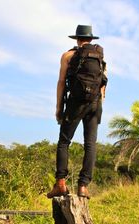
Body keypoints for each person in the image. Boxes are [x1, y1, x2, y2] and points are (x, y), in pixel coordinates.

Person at [47, 25, 107, 199]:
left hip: (75, 103)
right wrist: (96, 106)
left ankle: (60, 184)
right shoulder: (100, 57)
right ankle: (83, 186)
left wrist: (59, 108)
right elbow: (103, 86)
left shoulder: (68, 55)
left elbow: (61, 82)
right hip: (95, 104)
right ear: (90, 39)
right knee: (90, 144)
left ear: (77, 39)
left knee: (64, 141)